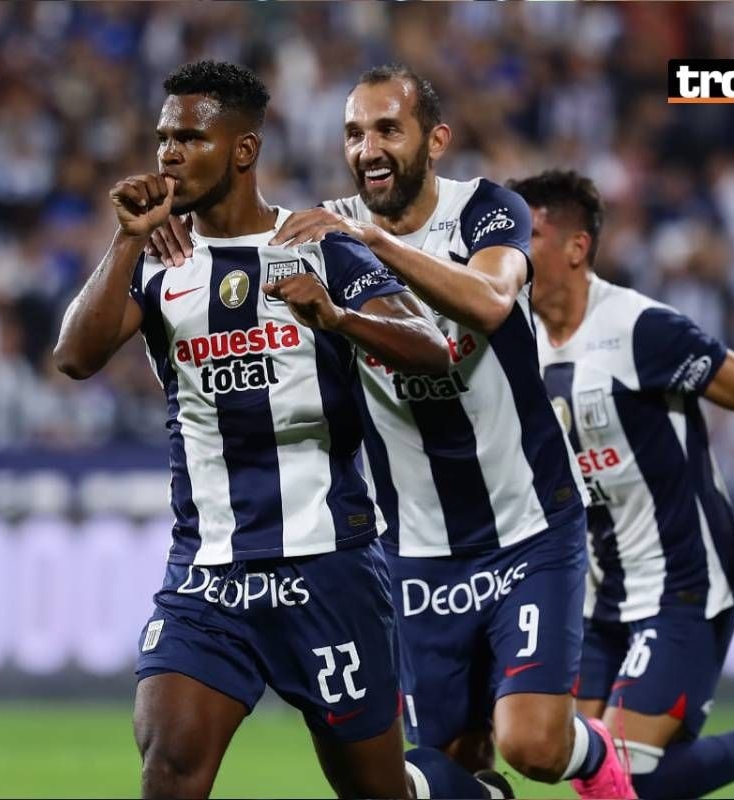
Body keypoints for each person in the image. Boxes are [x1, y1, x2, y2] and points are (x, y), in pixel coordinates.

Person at [151, 64, 633, 800]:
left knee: (531, 742)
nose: (368, 147)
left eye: (387, 129)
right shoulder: (320, 232)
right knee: (449, 772)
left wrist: (372, 242)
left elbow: (493, 301)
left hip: (529, 526)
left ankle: (595, 758)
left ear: (434, 140)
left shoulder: (486, 212)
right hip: (414, 549)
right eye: (353, 133)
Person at [54, 61, 452, 800]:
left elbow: (430, 347)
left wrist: (337, 318)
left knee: (376, 792)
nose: (169, 153)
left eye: (190, 138)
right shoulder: (159, 260)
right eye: (163, 137)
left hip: (327, 567)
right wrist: (124, 242)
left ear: (242, 151)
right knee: (169, 767)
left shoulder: (319, 246)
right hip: (210, 574)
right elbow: (74, 357)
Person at [512, 168, 734, 799]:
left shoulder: (636, 327)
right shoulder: (520, 347)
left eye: (531, 234)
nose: (514, 249)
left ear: (576, 248)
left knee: (630, 779)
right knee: (576, 767)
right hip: (597, 598)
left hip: (682, 584)